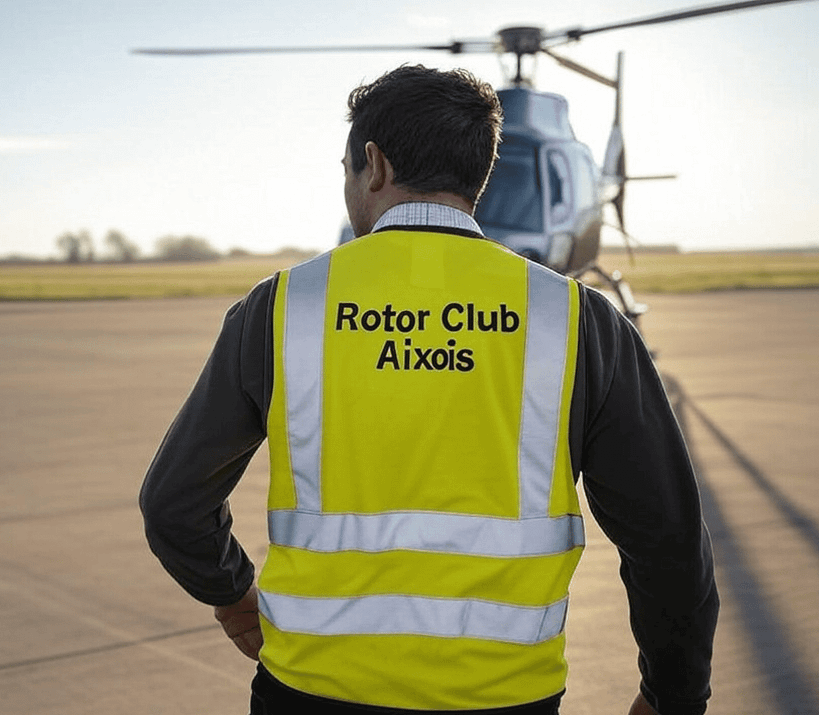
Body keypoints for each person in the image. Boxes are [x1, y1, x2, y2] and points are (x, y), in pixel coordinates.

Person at [140, 65, 718, 715]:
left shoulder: (281, 307)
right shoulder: (580, 319)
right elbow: (668, 539)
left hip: (309, 689)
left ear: (374, 165)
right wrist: (673, 693)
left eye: (346, 172)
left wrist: (233, 590)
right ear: (479, 174)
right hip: (506, 697)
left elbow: (173, 504)